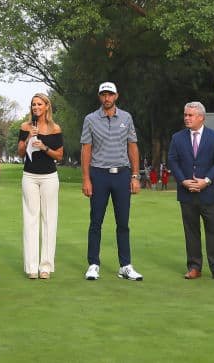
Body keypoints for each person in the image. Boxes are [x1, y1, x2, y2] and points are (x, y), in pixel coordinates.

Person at [80, 82, 142, 282]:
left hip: (122, 174)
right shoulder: (90, 119)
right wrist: (86, 178)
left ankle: (125, 265)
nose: (107, 98)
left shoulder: (126, 118)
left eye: (110, 94)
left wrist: (135, 176)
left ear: (116, 96)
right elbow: (86, 149)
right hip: (99, 174)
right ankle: (93, 264)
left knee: (123, 223)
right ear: (100, 97)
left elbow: (132, 146)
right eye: (103, 94)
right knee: (95, 222)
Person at [168, 101, 214, 282]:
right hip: (187, 193)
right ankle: (194, 267)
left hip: (209, 193)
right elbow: (173, 160)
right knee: (191, 231)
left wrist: (206, 181)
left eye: (190, 115)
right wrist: (182, 180)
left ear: (201, 117)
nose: (186, 118)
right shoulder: (177, 138)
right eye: (185, 115)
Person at [18, 93, 64, 279]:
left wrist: (44, 147)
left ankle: (45, 266)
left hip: (49, 178)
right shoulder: (26, 126)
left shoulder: (55, 128)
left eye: (39, 104)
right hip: (29, 176)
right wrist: (29, 137)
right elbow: (20, 152)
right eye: (33, 104)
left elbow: (59, 156)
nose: (35, 107)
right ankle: (31, 267)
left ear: (46, 106)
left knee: (49, 220)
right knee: (30, 220)